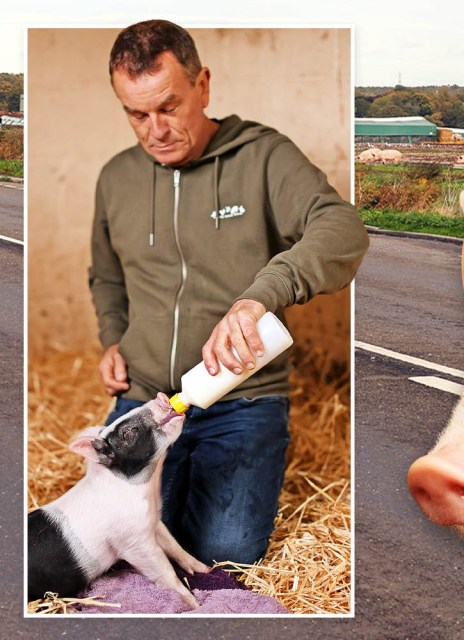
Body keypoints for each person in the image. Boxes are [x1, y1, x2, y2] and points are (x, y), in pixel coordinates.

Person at [89, 20, 368, 565]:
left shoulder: (263, 156)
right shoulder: (115, 177)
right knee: (113, 543)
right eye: (136, 113)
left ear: (204, 86)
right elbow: (107, 275)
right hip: (146, 398)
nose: (155, 129)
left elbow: (343, 229)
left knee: (226, 551)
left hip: (243, 398)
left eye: (169, 106)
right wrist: (111, 339)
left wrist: (260, 295)